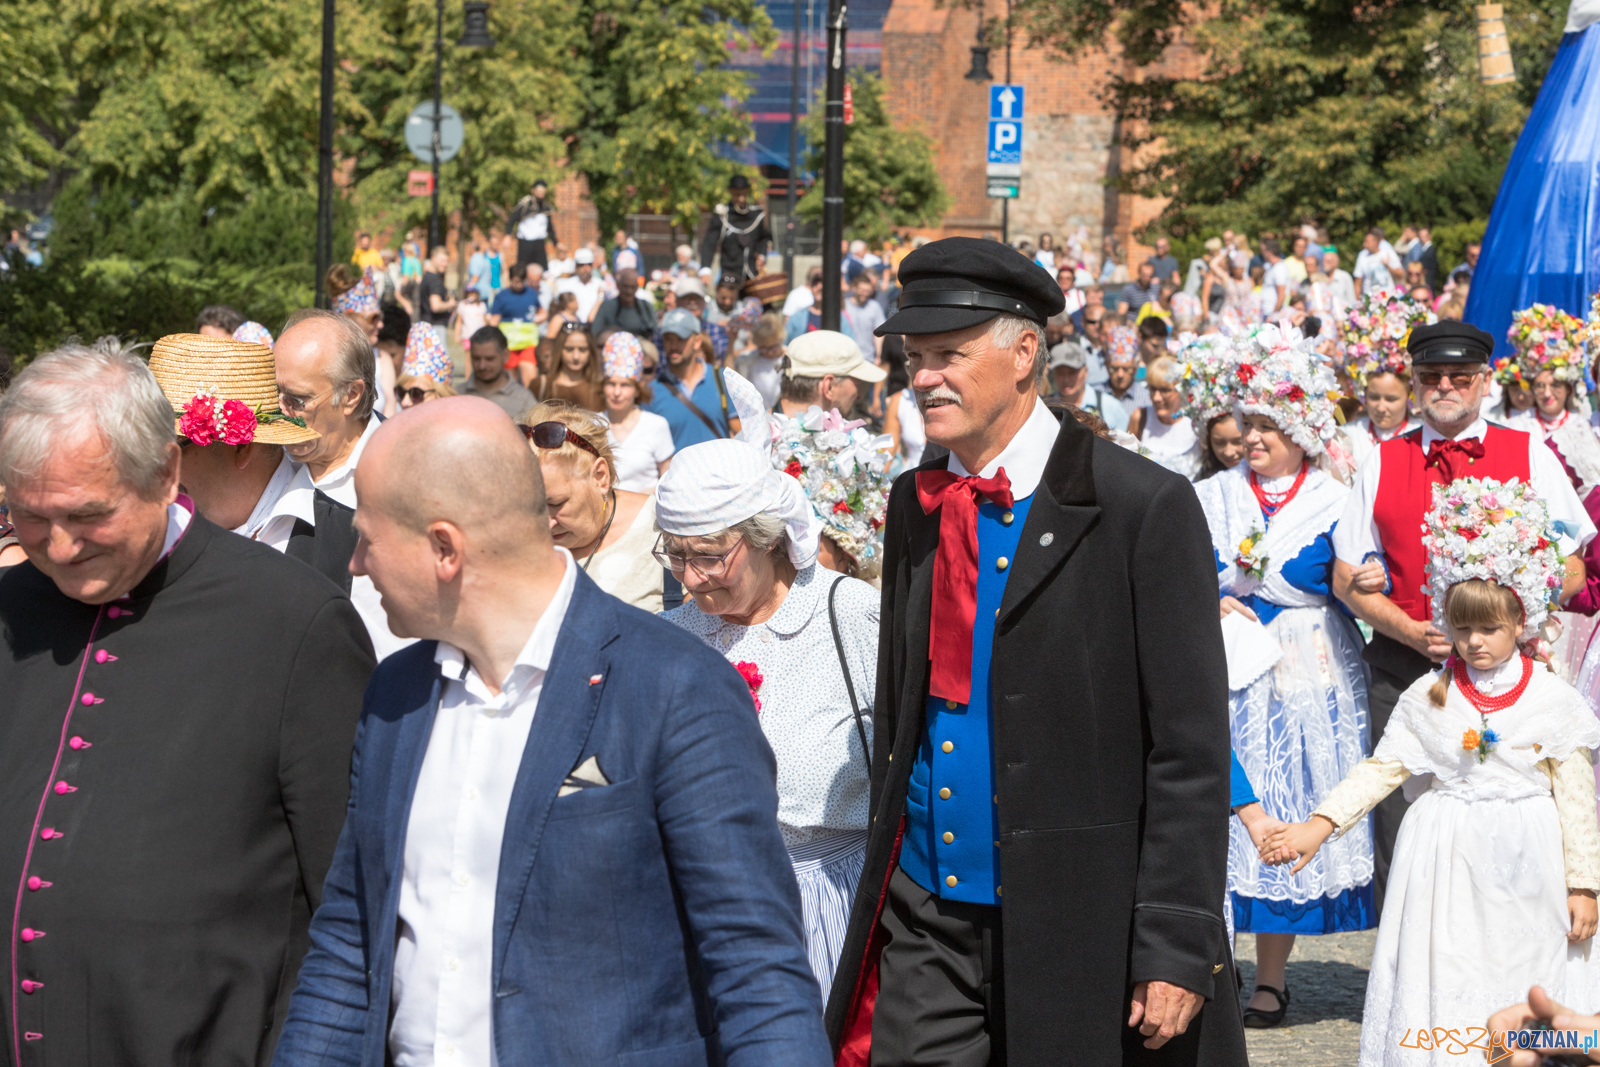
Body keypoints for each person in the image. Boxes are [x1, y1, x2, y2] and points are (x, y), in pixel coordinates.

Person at [273, 396, 829, 1066]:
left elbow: (758, 973)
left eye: (368, 537)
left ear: (444, 548)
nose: (356, 563)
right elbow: (348, 945)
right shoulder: (394, 697)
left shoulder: (676, 688)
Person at [827, 236, 1246, 1065]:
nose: (923, 377)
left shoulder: (1140, 504)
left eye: (948, 353)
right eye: (915, 357)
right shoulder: (916, 499)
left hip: (1080, 919)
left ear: (1024, 354)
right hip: (927, 913)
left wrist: (1175, 933)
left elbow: (1191, 749)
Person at [0, 338, 374, 1065]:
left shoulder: (295, 622)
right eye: (31, 519)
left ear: (167, 470)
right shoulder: (10, 606)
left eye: (87, 515)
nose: (62, 547)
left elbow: (349, 907)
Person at [1269, 483, 1600, 1062]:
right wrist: (1319, 825)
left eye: (1489, 629)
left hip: (1529, 861)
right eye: (1462, 628)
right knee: (1453, 970)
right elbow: (1384, 768)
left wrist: (1583, 886)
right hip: (1447, 861)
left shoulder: (1551, 697)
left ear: (1520, 619)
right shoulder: (1431, 693)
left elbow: (1576, 795)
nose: (1474, 642)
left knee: (1523, 973)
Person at [1331, 321, 1596, 911]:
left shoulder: (1528, 451)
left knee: (1514, 823)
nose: (1444, 386)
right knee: (1400, 822)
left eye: (1458, 376)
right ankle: (1409, 965)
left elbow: (1575, 568)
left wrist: (1525, 607)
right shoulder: (1380, 460)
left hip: (1512, 676)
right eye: (1430, 377)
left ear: (1484, 380)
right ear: (1416, 382)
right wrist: (1409, 629)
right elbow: (1346, 578)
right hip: (1407, 669)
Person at [1193, 330, 1377, 1029]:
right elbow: (1171, 568)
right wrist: (1205, 597)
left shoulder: (1336, 497)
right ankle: (1210, 963)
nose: (1253, 438)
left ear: (1302, 432)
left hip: (1308, 678)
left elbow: (1358, 576)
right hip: (1228, 667)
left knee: (1286, 807)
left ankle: (1269, 979)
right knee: (1219, 809)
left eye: (1269, 426)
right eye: (1249, 425)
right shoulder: (1212, 494)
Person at [657, 435, 878, 993]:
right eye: (675, 555)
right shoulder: (671, 640)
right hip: (704, 909)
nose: (689, 577)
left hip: (832, 907)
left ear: (764, 538)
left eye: (708, 556)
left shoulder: (848, 614)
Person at [149, 332, 363, 592]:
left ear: (241, 447)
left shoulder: (351, 544)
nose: (149, 468)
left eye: (168, 449)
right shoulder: (150, 527)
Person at [276, 309, 412, 659]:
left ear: (351, 395)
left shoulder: (409, 477)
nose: (279, 411)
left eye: (297, 400)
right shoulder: (265, 459)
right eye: (274, 394)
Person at [514, 400, 665, 612]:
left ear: (600, 477)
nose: (545, 523)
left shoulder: (665, 530)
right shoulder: (512, 540)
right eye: (530, 506)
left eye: (555, 504)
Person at [770, 404, 897, 581]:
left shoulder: (866, 605)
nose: (794, 557)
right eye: (785, 545)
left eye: (813, 546)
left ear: (844, 557)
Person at [647, 308, 736, 448]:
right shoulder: (652, 391)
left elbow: (741, 434)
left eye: (680, 339)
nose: (673, 346)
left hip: (719, 468)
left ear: (697, 342)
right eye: (668, 339)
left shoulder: (722, 379)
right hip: (674, 470)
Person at [599, 331, 674, 493]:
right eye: (611, 384)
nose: (617, 392)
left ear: (637, 390)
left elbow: (668, 479)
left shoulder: (656, 425)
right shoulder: (592, 425)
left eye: (625, 385)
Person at [775, 330, 887, 420]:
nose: (860, 395)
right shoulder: (764, 444)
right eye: (858, 384)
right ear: (828, 387)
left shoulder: (763, 434)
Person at [1342, 366, 1421, 470]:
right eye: (1374, 397)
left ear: (1409, 397)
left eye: (1391, 399)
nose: (1381, 408)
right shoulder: (1347, 435)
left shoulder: (1421, 434)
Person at [1139, 355, 1201, 480]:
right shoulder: (1141, 417)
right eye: (1152, 389)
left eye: (1165, 390)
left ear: (1181, 389)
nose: (1156, 398)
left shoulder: (1197, 421)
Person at [701, 174, 772, 283]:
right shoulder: (722, 215)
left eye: (743, 194)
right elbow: (709, 243)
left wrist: (761, 256)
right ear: (730, 192)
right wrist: (705, 269)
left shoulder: (756, 214)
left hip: (752, 275)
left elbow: (763, 239)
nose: (741, 198)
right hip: (729, 275)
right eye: (737, 194)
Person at [1048, 340, 1128, 432]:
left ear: (1085, 371)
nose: (1066, 379)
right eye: (1060, 373)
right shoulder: (1046, 407)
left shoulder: (1111, 406)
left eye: (1072, 373)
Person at [460, 325, 537, 419]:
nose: (482, 366)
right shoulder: (456, 395)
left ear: (505, 355)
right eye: (476, 359)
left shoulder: (525, 400)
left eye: (489, 359)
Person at [487, 262, 543, 388]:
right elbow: (495, 319)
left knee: (530, 376)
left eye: (520, 282)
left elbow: (542, 312)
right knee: (510, 381)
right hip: (509, 344)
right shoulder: (502, 296)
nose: (517, 285)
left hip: (528, 343)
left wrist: (539, 318)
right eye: (514, 281)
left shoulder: (531, 293)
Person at [538, 322, 604, 411]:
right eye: (569, 349)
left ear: (590, 351)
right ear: (559, 350)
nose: (576, 356)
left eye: (582, 350)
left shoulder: (600, 388)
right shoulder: (541, 384)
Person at [1103, 321, 1148, 437]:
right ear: (1107, 365)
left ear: (1135, 367)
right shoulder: (1095, 394)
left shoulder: (1146, 399)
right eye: (1115, 368)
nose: (1120, 374)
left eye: (1126, 369)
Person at [734, 313, 789, 409]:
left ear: (780, 340)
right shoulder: (748, 360)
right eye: (763, 348)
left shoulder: (791, 358)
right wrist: (731, 342)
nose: (769, 352)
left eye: (773, 347)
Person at [591, 266, 658, 337]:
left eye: (632, 287)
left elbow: (655, 333)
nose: (629, 291)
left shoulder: (645, 307)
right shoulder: (607, 307)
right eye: (626, 286)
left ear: (637, 287)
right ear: (618, 285)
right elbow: (596, 333)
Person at [507, 178, 555, 270]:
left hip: (539, 243)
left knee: (542, 269)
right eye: (539, 191)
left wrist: (556, 243)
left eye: (543, 191)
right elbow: (512, 218)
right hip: (525, 243)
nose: (541, 193)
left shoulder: (546, 207)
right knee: (523, 270)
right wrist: (507, 234)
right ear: (533, 190)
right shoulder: (525, 205)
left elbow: (550, 228)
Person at [842, 271, 886, 365]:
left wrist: (878, 355)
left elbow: (878, 334)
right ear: (854, 288)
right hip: (846, 358)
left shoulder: (874, 307)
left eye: (868, 291)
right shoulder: (844, 306)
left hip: (868, 358)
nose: (865, 294)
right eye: (862, 290)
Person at [418, 246, 457, 345]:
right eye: (442, 261)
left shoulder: (426, 277)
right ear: (433, 259)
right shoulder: (434, 280)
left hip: (426, 325)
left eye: (447, 261)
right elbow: (436, 306)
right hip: (436, 326)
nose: (445, 264)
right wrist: (450, 304)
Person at [556, 247, 604, 322]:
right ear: (576, 266)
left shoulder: (601, 284)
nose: (585, 268)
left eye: (588, 264)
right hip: (574, 327)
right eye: (581, 265)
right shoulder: (566, 286)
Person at [1353, 228, 1403, 298]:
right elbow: (1358, 282)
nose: (1364, 244)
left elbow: (1400, 275)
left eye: (1367, 242)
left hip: (1388, 297)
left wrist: (1387, 265)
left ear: (1375, 242)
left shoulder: (1387, 253)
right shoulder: (1362, 256)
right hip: (1370, 299)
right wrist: (1357, 301)